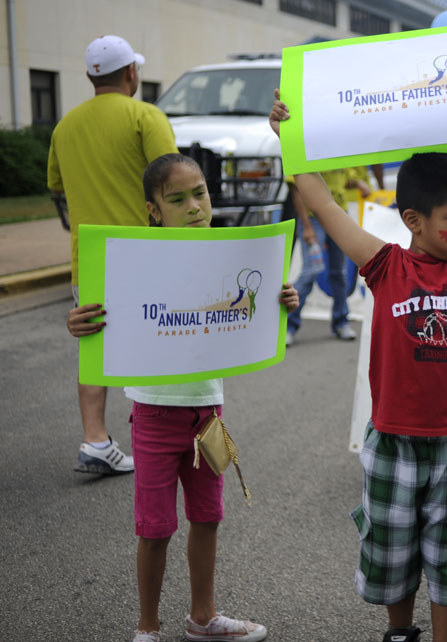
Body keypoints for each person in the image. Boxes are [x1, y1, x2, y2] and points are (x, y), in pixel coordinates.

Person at [270, 71, 447, 642]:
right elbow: (318, 197)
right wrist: (287, 138)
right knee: (392, 549)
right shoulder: (385, 265)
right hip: (394, 441)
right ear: (414, 221)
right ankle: (400, 632)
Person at [66, 153, 299, 642]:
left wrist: (281, 303)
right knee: (154, 528)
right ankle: (147, 628)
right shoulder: (134, 260)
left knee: (208, 517)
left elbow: (250, 309)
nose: (193, 206)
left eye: (200, 193)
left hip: (208, 415)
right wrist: (77, 324)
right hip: (152, 415)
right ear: (154, 210)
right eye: (177, 199)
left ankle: (202, 617)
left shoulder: (232, 253)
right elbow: (97, 315)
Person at [48, 35, 179, 475]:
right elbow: (173, 184)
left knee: (95, 347)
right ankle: (163, 438)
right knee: (160, 344)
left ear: (89, 76)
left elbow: (56, 187)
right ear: (131, 74)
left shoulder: (65, 126)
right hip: (144, 256)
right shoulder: (146, 116)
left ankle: (95, 440)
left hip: (89, 260)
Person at [285, 170, 357, 344]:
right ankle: (287, 325)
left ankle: (341, 322)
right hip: (313, 220)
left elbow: (345, 181)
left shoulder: (339, 151)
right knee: (311, 271)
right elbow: (296, 189)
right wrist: (307, 226)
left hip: (339, 216)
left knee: (339, 272)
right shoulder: (307, 150)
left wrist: (359, 184)